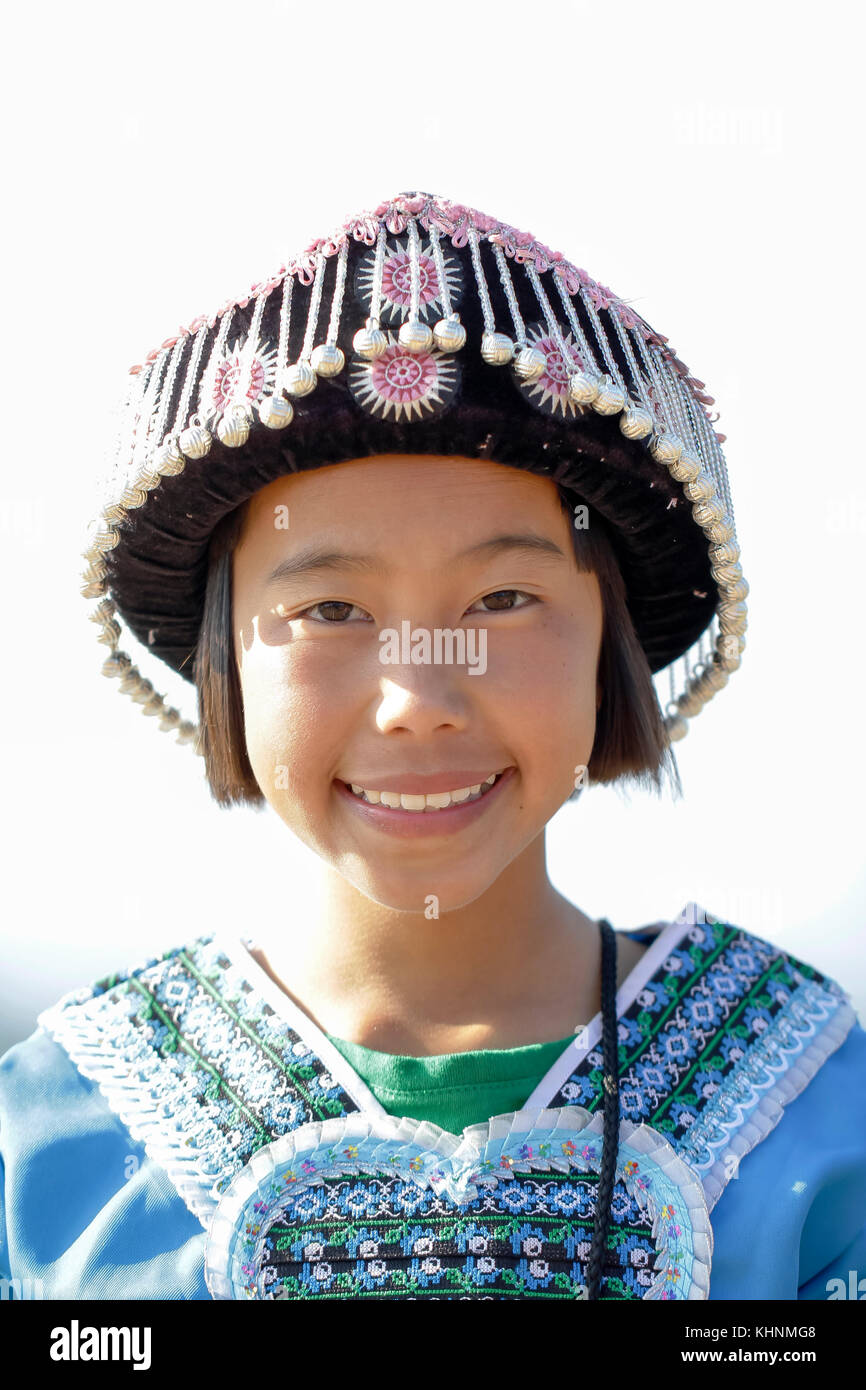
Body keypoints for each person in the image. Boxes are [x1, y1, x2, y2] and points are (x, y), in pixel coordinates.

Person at [1, 190, 864, 1302]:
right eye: (328, 611)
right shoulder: (49, 1149)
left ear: (611, 647)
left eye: (501, 598)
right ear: (225, 659)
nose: (416, 697)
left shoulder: (816, 1114)